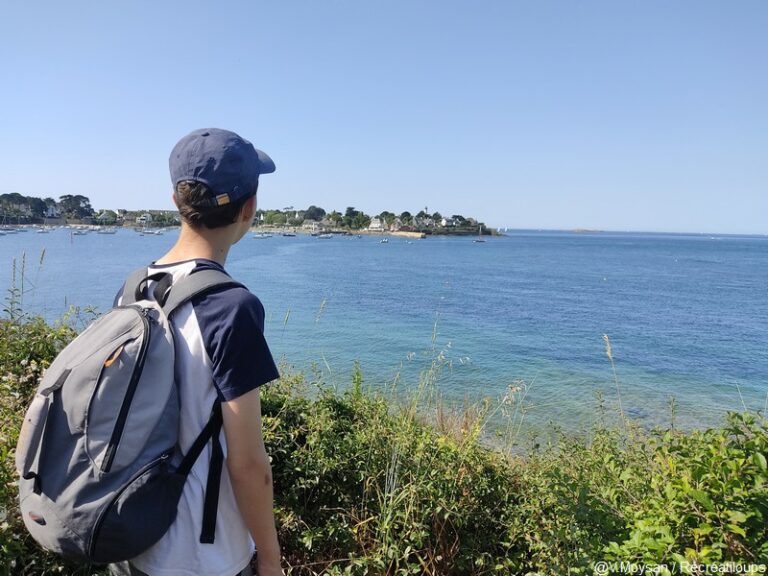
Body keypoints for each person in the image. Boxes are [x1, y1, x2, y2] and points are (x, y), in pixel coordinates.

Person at [109, 128, 283, 576]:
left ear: (176, 201)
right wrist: (270, 557)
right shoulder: (231, 308)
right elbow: (248, 463)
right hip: (204, 556)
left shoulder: (133, 288)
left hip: (130, 536)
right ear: (249, 207)